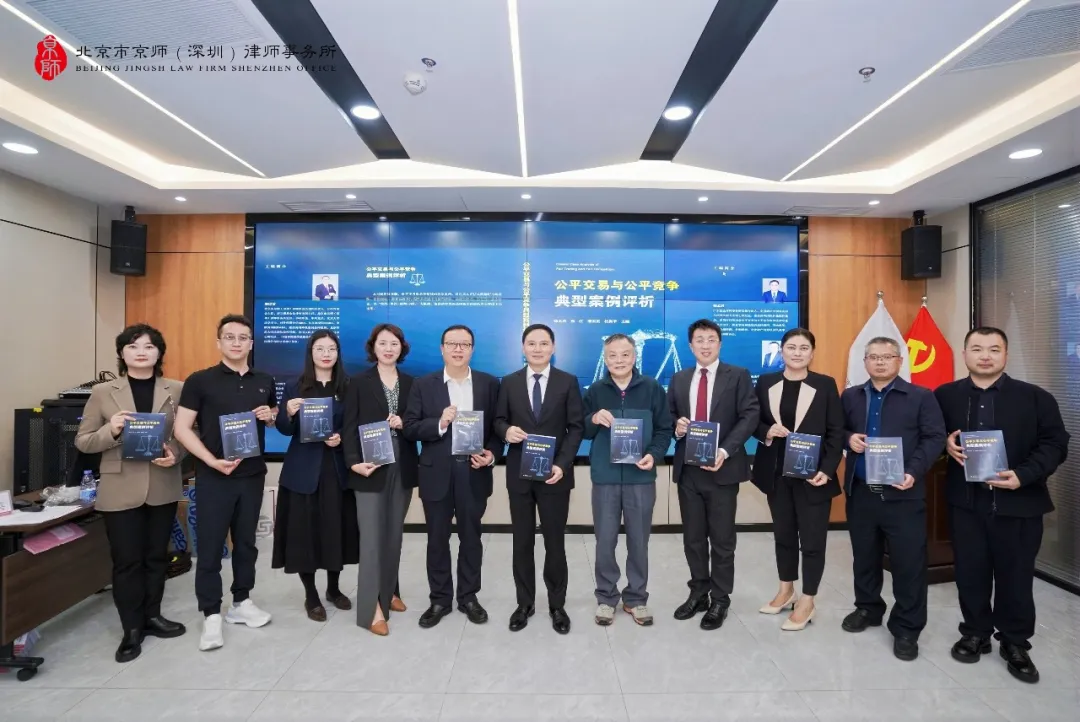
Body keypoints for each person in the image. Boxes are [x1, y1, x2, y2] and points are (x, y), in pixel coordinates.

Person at [935, 327, 1069, 683]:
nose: (985, 356)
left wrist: (1024, 475)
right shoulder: (944, 396)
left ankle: (1015, 642)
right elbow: (928, 436)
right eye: (977, 348)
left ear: (1005, 355)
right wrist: (945, 445)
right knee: (970, 572)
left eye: (994, 349)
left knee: (1016, 576)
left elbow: (1055, 444)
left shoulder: (1035, 397)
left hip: (1019, 503)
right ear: (964, 354)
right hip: (966, 503)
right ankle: (975, 632)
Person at [74, 324, 187, 663]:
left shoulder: (176, 389)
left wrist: (175, 453)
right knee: (127, 562)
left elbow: (187, 434)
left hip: (162, 484)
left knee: (156, 558)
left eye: (149, 346)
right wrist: (111, 430)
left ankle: (153, 616)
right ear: (122, 353)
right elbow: (84, 441)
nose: (141, 352)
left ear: (159, 353)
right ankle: (131, 629)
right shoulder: (103, 392)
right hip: (120, 487)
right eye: (134, 346)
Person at [174, 314, 278, 652]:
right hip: (214, 476)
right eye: (229, 337)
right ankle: (210, 614)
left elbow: (272, 417)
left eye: (243, 337)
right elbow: (181, 428)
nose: (236, 342)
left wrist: (271, 416)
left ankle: (241, 602)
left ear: (251, 343)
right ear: (218, 342)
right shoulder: (200, 381)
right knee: (210, 547)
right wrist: (209, 460)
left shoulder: (265, 380)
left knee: (246, 543)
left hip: (252, 475)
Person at [840, 336, 945, 661]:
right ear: (865, 362)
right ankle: (868, 608)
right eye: (873, 357)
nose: (880, 362)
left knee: (908, 564)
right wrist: (848, 438)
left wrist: (913, 471)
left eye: (887, 356)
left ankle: (907, 628)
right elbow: (836, 430)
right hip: (861, 493)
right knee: (864, 557)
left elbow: (935, 437)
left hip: (903, 495)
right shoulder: (851, 396)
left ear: (900, 361)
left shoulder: (921, 396)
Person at [402, 325, 501, 628]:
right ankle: (440, 599)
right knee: (437, 539)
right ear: (442, 348)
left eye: (465, 344)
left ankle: (468, 597)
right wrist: (440, 423)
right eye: (452, 344)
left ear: (472, 349)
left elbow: (497, 427)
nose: (458, 349)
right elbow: (410, 427)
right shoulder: (423, 384)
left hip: (474, 472)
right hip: (437, 473)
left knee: (471, 538)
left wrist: (491, 455)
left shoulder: (488, 383)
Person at [750, 328, 844, 631]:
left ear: (812, 353)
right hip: (776, 475)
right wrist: (767, 431)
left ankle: (807, 600)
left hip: (812, 476)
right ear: (782, 351)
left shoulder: (825, 384)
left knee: (813, 541)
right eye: (791, 347)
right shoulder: (766, 382)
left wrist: (827, 469)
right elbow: (752, 421)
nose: (797, 353)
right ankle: (786, 590)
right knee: (784, 536)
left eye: (804, 348)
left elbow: (836, 431)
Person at [494, 324, 584, 635]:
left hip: (554, 476)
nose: (537, 349)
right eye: (531, 343)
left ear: (553, 347)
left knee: (554, 542)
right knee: (522, 541)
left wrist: (562, 464)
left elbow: (576, 427)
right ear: (523, 348)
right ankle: (525, 603)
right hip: (519, 475)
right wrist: (506, 431)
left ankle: (557, 605)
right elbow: (498, 420)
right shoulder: (509, 382)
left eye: (544, 343)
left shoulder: (568, 381)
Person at [668, 319, 758, 630]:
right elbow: (670, 415)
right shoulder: (679, 378)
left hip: (723, 469)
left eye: (711, 339)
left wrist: (725, 450)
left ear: (719, 344)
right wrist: (678, 426)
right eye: (699, 340)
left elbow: (750, 416)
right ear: (690, 345)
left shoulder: (738, 375)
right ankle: (699, 592)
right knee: (693, 538)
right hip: (689, 470)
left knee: (722, 539)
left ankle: (720, 598)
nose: (705, 345)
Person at [583, 333, 673, 627]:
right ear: (605, 358)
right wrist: (593, 419)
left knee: (638, 540)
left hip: (640, 477)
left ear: (634, 357)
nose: (619, 360)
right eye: (612, 355)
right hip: (605, 478)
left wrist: (654, 455)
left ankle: (636, 598)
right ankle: (606, 597)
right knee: (605, 540)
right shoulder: (595, 390)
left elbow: (664, 429)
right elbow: (581, 429)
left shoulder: (652, 388)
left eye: (625, 354)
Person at [271, 330, 358, 623]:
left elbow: (354, 424)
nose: (326, 354)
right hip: (303, 470)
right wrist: (288, 413)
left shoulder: (348, 386)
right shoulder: (294, 386)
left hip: (337, 469)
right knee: (304, 534)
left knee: (336, 531)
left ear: (338, 353)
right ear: (311, 353)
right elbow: (284, 429)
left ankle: (334, 588)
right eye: (320, 348)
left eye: (331, 348)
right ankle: (311, 594)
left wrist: (341, 438)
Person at [342, 323, 419, 635]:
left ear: (402, 348)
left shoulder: (412, 383)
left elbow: (417, 424)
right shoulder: (358, 382)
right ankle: (369, 609)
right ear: (373, 347)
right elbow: (348, 427)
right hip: (370, 466)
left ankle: (388, 593)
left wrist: (404, 423)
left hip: (403, 464)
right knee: (372, 538)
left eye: (394, 344)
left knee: (393, 535)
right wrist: (353, 463)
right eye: (383, 343)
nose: (389, 349)